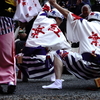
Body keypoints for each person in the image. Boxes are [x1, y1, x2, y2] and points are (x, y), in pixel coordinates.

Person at [42, 0, 100, 89]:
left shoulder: (85, 23)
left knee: (58, 53)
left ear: (88, 18)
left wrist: (54, 4)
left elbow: (68, 14)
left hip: (87, 65)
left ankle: (57, 83)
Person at [0, 0, 16, 94]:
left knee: (7, 52)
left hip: (7, 16)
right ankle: (9, 80)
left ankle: (10, 80)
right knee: (7, 52)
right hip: (7, 16)